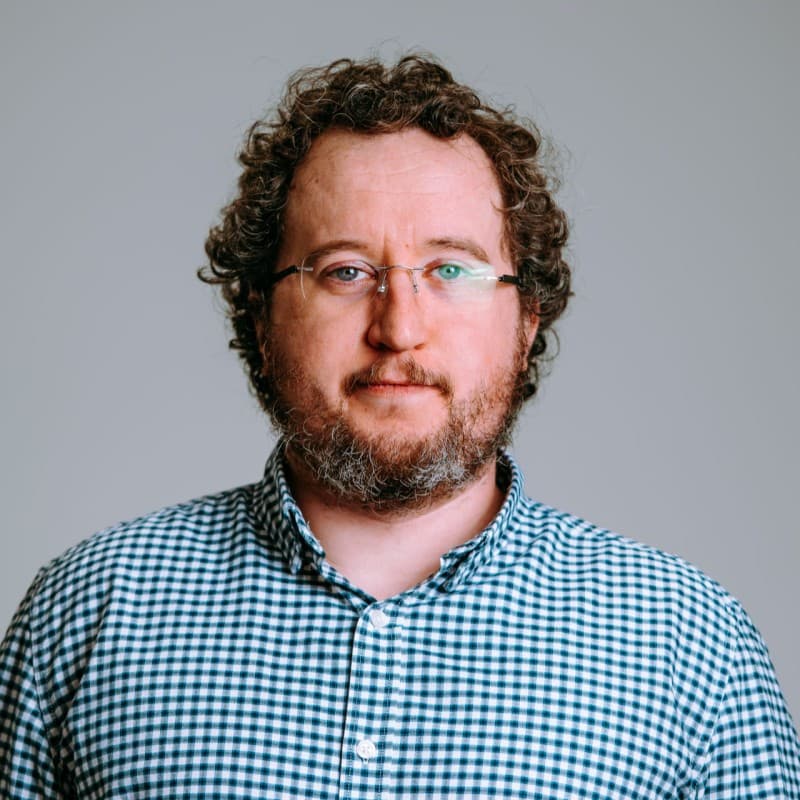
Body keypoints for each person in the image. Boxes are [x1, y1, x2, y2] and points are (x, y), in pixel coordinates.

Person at [1, 54, 798, 799]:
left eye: (451, 269)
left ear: (526, 321)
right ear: (261, 314)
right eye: (346, 271)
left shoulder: (692, 648)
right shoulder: (86, 612)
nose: (399, 327)